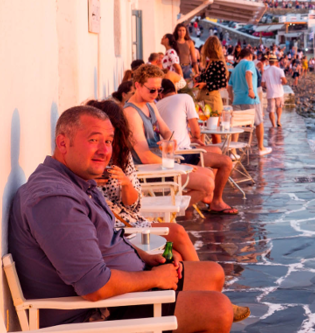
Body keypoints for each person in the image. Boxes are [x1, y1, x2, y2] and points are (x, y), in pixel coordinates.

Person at [8, 105, 248, 330]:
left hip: (117, 293)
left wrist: (142, 256)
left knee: (212, 273)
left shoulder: (78, 182)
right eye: (93, 140)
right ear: (63, 143)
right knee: (218, 310)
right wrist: (152, 278)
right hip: (93, 313)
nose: (104, 150)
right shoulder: (55, 200)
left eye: (108, 141)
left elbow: (105, 237)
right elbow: (94, 287)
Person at [87, 100, 199, 260]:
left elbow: (134, 205)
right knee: (175, 246)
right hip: (110, 229)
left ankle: (196, 279)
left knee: (176, 251)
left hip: (129, 221)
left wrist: (125, 183)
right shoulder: (83, 159)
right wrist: (88, 181)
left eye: (111, 135)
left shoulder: (122, 155)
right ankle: (198, 279)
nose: (105, 144)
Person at [123, 64, 216, 207]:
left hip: (160, 164)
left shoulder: (150, 104)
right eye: (152, 90)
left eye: (159, 90)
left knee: (209, 175)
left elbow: (166, 131)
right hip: (147, 171)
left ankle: (167, 211)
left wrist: (170, 141)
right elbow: (144, 157)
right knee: (207, 184)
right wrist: (174, 166)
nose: (155, 94)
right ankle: (163, 212)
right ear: (138, 85)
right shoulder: (131, 113)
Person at [157, 79, 238, 215]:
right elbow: (196, 131)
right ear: (175, 90)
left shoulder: (157, 105)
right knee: (226, 162)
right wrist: (194, 137)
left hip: (171, 152)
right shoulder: (185, 97)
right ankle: (216, 201)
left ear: (161, 93)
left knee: (216, 150)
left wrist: (190, 139)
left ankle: (208, 195)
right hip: (182, 153)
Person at [227, 48, 272, 155]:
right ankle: (261, 148)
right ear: (250, 56)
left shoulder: (235, 68)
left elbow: (229, 87)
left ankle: (233, 151)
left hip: (237, 101)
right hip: (251, 99)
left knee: (236, 125)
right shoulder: (250, 63)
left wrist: (232, 98)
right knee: (259, 123)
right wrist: (251, 90)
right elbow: (248, 74)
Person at [195, 36, 229, 116]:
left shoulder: (218, 63)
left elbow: (222, 83)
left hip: (212, 99)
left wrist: (205, 84)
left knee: (212, 126)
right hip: (204, 98)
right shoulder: (210, 62)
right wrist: (198, 78)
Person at [261, 54, 287, 128]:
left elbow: (262, 84)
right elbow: (285, 81)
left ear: (269, 62)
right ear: (276, 62)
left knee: (271, 110)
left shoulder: (265, 71)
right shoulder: (280, 70)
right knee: (279, 107)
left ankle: (273, 125)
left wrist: (266, 86)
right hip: (279, 92)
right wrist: (280, 83)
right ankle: (278, 120)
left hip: (270, 92)